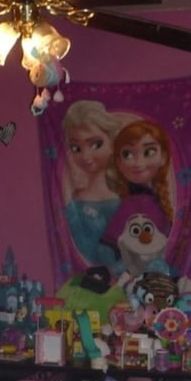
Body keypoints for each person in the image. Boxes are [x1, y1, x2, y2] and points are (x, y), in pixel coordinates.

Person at [62, 100, 126, 266]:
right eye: (76, 148)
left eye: (96, 144)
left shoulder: (125, 199)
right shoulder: (74, 200)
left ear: (112, 143)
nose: (86, 156)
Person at [113, 120, 174, 223]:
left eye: (149, 152)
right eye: (128, 154)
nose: (138, 164)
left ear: (163, 157)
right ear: (119, 162)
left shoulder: (154, 196)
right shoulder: (130, 205)